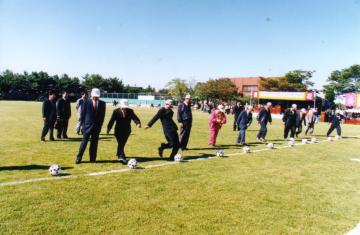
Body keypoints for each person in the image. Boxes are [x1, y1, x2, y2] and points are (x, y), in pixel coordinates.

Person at [75, 88, 106, 164]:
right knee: (84, 143)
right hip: (87, 127)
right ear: (91, 95)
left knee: (94, 144)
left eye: (97, 96)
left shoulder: (102, 104)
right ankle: (79, 158)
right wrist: (82, 126)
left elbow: (102, 116)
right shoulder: (85, 102)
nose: (96, 98)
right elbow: (82, 115)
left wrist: (100, 126)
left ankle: (92, 158)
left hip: (97, 128)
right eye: (95, 96)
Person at [107, 99, 141, 164]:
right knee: (121, 142)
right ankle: (122, 157)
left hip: (127, 130)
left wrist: (138, 123)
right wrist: (109, 128)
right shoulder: (116, 111)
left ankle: (119, 153)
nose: (124, 108)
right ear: (120, 105)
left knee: (122, 143)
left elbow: (135, 118)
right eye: (123, 106)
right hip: (118, 131)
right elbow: (112, 120)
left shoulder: (130, 111)